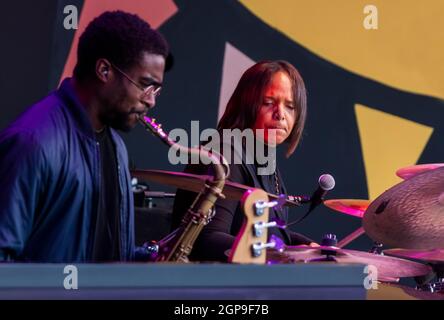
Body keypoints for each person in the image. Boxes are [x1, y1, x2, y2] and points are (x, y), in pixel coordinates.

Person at [0, 11, 169, 262]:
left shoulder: (116, 146)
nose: (151, 100)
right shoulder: (33, 143)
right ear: (104, 70)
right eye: (145, 85)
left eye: (156, 89)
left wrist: (149, 258)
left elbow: (101, 254)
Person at [172, 60, 316, 262]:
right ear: (246, 104)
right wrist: (282, 256)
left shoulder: (264, 160)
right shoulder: (224, 154)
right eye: (268, 103)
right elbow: (206, 239)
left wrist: (306, 246)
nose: (280, 115)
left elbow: (263, 232)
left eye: (290, 106)